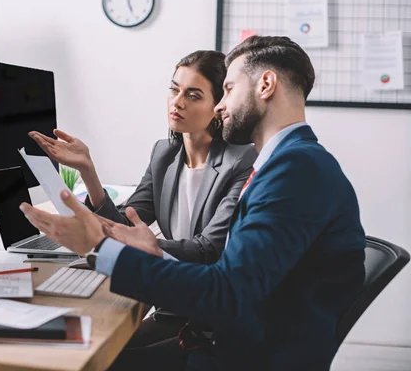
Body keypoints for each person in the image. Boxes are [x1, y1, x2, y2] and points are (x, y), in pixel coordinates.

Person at [20, 36, 366, 371]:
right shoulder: (285, 163)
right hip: (228, 341)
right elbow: (238, 280)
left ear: (265, 85)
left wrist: (98, 246)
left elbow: (226, 293)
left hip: (244, 357)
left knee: (74, 361)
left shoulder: (294, 170)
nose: (220, 105)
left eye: (228, 89)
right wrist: (151, 252)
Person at [29, 50, 256, 265]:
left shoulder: (241, 160)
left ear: (218, 106)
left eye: (193, 95)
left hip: (207, 289)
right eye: (174, 89)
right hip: (168, 279)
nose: (177, 102)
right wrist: (87, 170)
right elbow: (125, 223)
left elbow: (209, 249)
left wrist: (138, 243)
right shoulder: (163, 153)